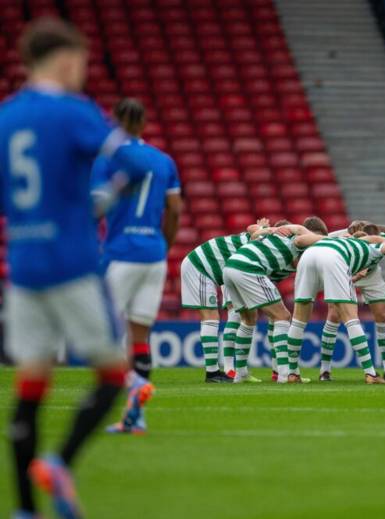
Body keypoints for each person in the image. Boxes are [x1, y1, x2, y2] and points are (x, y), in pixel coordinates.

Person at [0, 18, 151, 519]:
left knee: (30, 385)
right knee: (112, 376)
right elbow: (128, 163)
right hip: (72, 261)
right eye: (82, 63)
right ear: (65, 61)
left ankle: (24, 509)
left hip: (23, 265)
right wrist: (101, 201)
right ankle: (59, 463)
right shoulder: (72, 111)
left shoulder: (6, 116)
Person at [91, 98, 183, 434]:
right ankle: (136, 416)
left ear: (116, 122)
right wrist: (163, 246)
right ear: (144, 124)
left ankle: (131, 384)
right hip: (154, 254)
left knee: (106, 333)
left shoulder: (109, 157)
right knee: (140, 335)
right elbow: (174, 210)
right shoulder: (164, 161)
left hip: (121, 252)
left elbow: (97, 205)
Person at [287, 229, 385, 384]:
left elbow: (300, 240)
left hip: (309, 255)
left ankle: (292, 373)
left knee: (298, 319)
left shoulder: (343, 240)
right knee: (350, 317)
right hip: (333, 257)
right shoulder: (373, 250)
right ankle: (370, 374)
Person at [222, 218, 326, 382]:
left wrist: (265, 229)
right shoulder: (297, 237)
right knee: (282, 316)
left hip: (230, 267)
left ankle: (240, 373)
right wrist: (342, 240)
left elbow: (253, 232)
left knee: (248, 319)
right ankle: (284, 374)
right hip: (248, 267)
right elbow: (303, 236)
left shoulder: (275, 239)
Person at [181, 224, 263, 383]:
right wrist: (265, 228)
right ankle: (212, 373)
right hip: (200, 267)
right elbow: (252, 230)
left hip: (209, 269)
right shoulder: (259, 240)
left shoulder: (258, 239)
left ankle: (217, 371)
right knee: (210, 317)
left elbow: (252, 229)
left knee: (215, 316)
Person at [319, 221, 385, 381]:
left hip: (371, 274)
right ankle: (324, 370)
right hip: (344, 271)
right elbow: (319, 238)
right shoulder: (338, 236)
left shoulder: (380, 237)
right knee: (334, 314)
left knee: (382, 315)